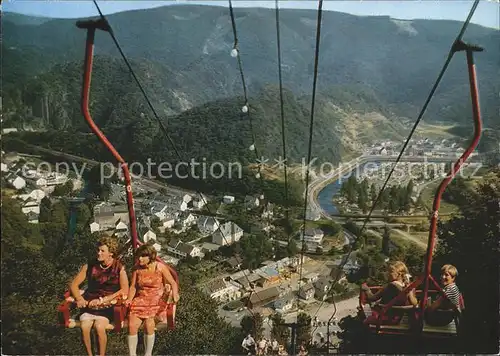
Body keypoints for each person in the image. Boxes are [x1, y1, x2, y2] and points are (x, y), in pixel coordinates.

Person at [69, 236, 129, 356]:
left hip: (107, 304)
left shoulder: (118, 268)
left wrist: (104, 299)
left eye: (102, 251)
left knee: (99, 326)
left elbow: (124, 289)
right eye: (98, 250)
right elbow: (74, 284)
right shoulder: (90, 266)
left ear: (111, 253)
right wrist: (79, 298)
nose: (98, 253)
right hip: (90, 303)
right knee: (85, 327)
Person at [125, 244, 179, 356]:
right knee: (131, 324)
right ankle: (132, 354)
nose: (139, 259)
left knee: (149, 325)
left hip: (156, 301)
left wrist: (175, 292)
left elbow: (173, 282)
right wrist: (130, 298)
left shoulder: (160, 267)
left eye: (143, 256)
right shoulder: (137, 269)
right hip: (141, 300)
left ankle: (148, 354)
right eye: (138, 256)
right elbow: (133, 287)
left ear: (150, 257)